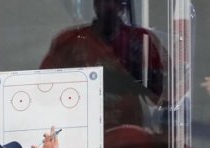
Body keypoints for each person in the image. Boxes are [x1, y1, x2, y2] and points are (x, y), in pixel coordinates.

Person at [40, 0, 166, 131]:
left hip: (128, 135)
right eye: (104, 1)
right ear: (95, 4)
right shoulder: (70, 42)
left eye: (116, 1)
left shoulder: (141, 40)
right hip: (82, 133)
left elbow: (166, 97)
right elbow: (44, 92)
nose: (110, 5)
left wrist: (142, 74)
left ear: (123, 5)